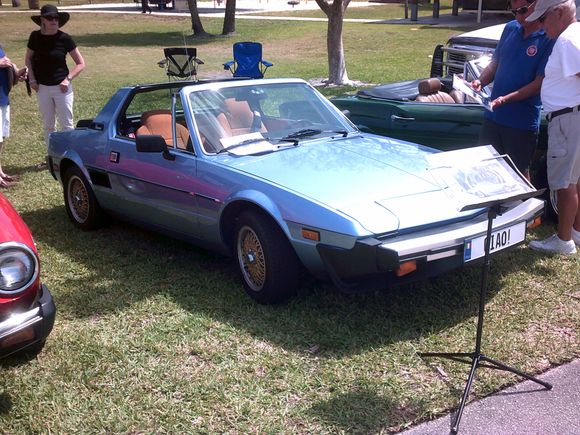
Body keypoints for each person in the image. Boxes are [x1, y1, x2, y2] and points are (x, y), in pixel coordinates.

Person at [471, 0, 555, 179]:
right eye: (514, 12)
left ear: (536, 5)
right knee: (485, 169)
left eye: (523, 10)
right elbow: (495, 63)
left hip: (521, 122)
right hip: (493, 116)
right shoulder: (510, 28)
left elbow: (539, 84)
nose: (518, 17)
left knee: (518, 175)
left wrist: (506, 99)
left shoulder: (548, 36)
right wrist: (480, 81)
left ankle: (526, 199)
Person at [526, 0, 580, 255]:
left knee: (564, 182)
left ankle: (563, 240)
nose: (540, 25)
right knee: (575, 179)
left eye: (542, 19)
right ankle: (575, 231)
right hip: (572, 116)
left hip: (567, 118)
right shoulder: (575, 34)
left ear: (558, 13)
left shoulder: (567, 40)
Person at [25, 4, 85, 168]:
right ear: (42, 20)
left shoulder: (64, 38)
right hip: (42, 88)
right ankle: (51, 159)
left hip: (62, 88)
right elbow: (28, 59)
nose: (54, 20)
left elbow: (80, 63)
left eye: (56, 18)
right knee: (48, 126)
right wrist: (32, 80)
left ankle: (69, 160)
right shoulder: (35, 37)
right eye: (50, 18)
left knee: (67, 125)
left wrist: (68, 79)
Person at [0, 46, 27, 188]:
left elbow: (6, 67)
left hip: (3, 97)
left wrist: (17, 73)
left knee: (1, 139)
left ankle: (0, 172)